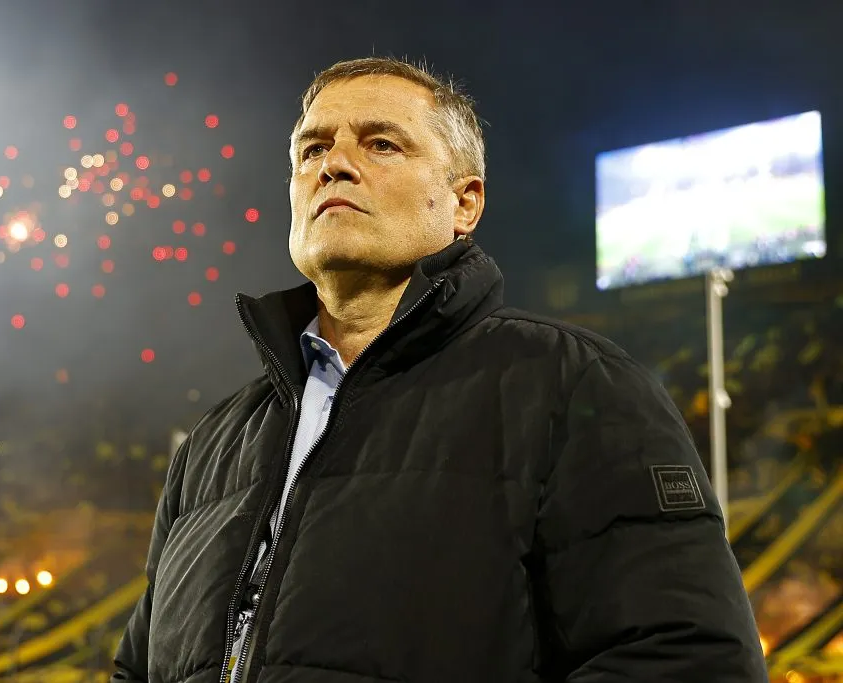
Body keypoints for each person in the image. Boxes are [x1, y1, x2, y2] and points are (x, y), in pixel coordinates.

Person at [112, 56, 767, 683]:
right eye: (312, 150)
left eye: (381, 144)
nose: (333, 164)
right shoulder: (209, 447)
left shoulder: (573, 386)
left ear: (465, 203)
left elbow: (684, 657)